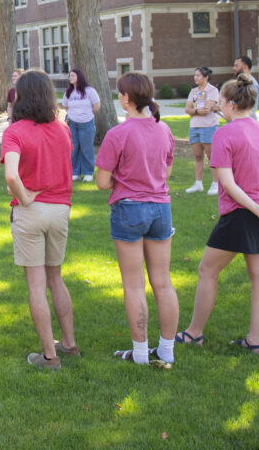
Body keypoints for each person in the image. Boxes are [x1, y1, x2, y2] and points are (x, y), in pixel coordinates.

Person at [176, 74, 259, 353]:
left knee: (207, 270)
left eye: (221, 104)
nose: (219, 108)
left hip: (243, 213)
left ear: (229, 104)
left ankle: (194, 333)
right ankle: (254, 341)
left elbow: (227, 182)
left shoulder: (224, 133)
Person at [94, 72, 178, 367]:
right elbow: (165, 171)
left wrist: (124, 180)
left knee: (133, 284)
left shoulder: (117, 134)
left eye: (120, 93)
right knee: (163, 282)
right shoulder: (163, 129)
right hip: (160, 208)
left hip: (129, 208)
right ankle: (167, 350)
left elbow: (102, 182)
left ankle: (141, 353)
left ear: (126, 99)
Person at [3, 69, 78, 370]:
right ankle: (69, 343)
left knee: (36, 284)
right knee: (55, 277)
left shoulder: (15, 131)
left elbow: (11, 174)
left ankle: (50, 355)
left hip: (32, 212)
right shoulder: (63, 129)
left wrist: (23, 198)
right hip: (60, 209)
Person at [183, 66, 222, 195]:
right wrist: (196, 111)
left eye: (198, 75)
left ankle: (216, 184)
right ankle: (198, 184)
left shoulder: (213, 90)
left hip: (209, 126)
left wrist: (195, 111)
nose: (195, 78)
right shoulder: (194, 91)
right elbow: (187, 109)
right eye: (195, 75)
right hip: (194, 127)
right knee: (198, 156)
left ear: (206, 77)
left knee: (212, 157)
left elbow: (206, 110)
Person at [64, 68, 101, 183]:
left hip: (87, 123)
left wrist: (88, 115)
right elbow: (66, 106)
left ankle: (88, 172)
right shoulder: (69, 92)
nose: (70, 77)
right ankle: (75, 172)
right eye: (70, 75)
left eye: (73, 75)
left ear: (79, 77)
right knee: (74, 148)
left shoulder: (89, 90)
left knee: (86, 148)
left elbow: (96, 105)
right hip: (72, 123)